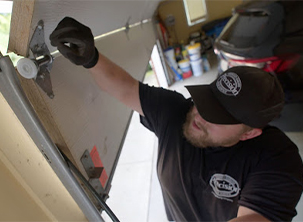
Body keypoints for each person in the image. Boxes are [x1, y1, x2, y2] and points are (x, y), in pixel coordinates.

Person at [50, 17, 303, 221]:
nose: (200, 114)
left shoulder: (278, 159)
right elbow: (125, 87)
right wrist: (90, 57)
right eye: (208, 101)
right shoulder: (177, 113)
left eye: (217, 116)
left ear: (249, 133)